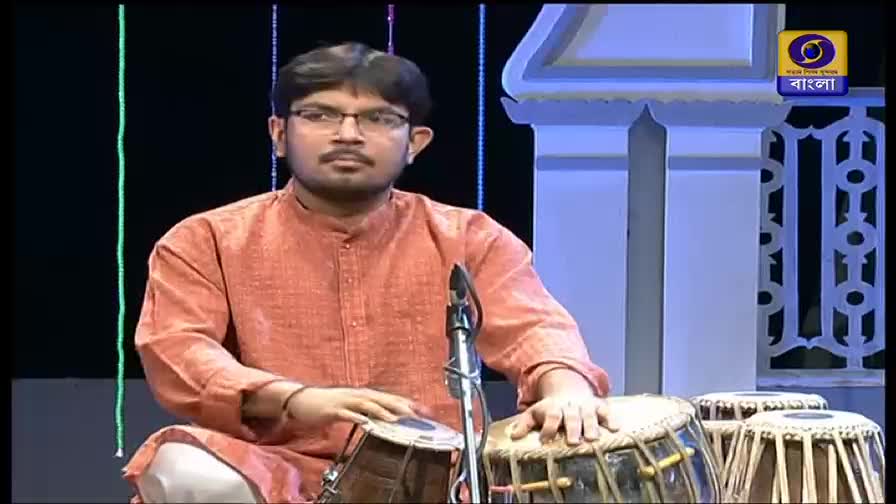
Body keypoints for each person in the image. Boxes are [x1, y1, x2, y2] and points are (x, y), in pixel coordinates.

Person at [122, 41, 616, 504]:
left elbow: (535, 328)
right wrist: (295, 400)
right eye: (320, 115)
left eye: (378, 118)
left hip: (445, 473)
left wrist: (565, 389)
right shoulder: (206, 240)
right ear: (279, 134)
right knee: (184, 468)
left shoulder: (468, 237)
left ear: (415, 142)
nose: (348, 134)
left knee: (586, 449)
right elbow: (179, 349)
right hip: (275, 467)